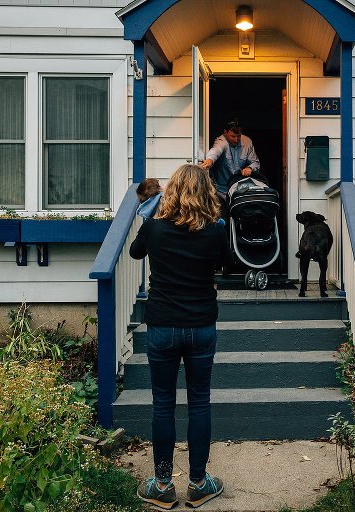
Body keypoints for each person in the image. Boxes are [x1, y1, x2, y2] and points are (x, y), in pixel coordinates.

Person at [129, 164, 231, 510]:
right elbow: (226, 261)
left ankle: (161, 484)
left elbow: (134, 253)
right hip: (201, 325)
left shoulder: (154, 228)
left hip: (162, 326)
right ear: (206, 193)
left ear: (170, 191)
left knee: (163, 404)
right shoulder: (216, 230)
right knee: (200, 402)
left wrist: (154, 216)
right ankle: (199, 483)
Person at [199, 117, 260, 206]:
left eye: (238, 136)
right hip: (220, 191)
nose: (236, 140)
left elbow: (255, 163)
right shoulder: (221, 141)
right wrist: (210, 160)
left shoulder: (247, 142)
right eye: (233, 136)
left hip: (239, 189)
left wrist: (250, 168)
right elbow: (216, 150)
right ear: (225, 132)